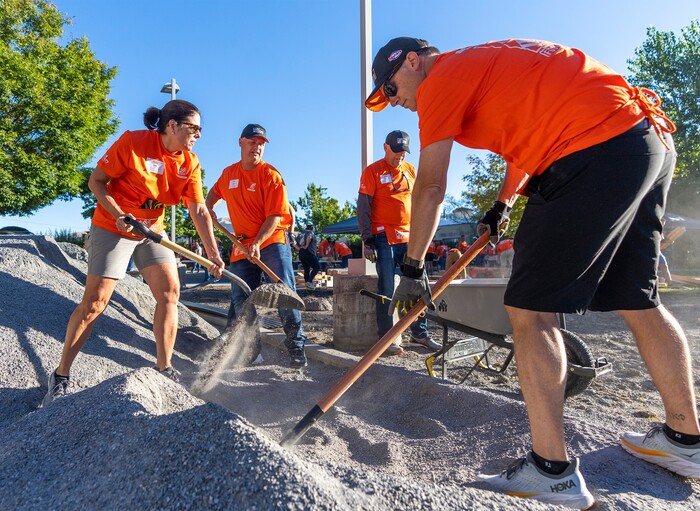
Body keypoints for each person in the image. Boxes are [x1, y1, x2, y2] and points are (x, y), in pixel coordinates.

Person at [367, 36, 698, 508]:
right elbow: (528, 143)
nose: (395, 100)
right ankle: (685, 439)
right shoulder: (491, 65)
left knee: (528, 309)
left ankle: (552, 472)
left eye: (391, 87)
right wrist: (503, 203)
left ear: (414, 62)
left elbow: (432, 187)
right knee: (639, 299)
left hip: (593, 146)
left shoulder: (440, 82)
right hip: (644, 142)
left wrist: (413, 265)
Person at [42, 100, 225, 406]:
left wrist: (213, 252)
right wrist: (118, 215)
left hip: (152, 231)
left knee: (170, 293)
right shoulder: (133, 143)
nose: (198, 135)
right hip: (113, 226)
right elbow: (96, 181)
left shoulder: (189, 162)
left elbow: (199, 210)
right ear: (172, 126)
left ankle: (164, 367)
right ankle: (60, 376)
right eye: (194, 128)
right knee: (95, 303)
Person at [206, 123, 308, 368]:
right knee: (242, 299)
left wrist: (258, 243)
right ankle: (251, 353)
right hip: (240, 244)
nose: (257, 147)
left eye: (261, 144)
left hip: (271, 242)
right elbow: (211, 196)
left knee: (284, 295)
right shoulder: (229, 174)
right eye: (252, 142)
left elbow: (275, 216)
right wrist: (208, 211)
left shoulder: (271, 175)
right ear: (241, 142)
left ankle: (296, 348)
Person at [358, 129, 441, 356]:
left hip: (411, 238)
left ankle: (419, 332)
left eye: (403, 152)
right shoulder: (372, 172)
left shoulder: (410, 170)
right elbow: (363, 207)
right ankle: (387, 337)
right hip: (384, 238)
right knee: (387, 287)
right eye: (396, 151)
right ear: (386, 147)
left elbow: (420, 200)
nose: (400, 156)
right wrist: (367, 239)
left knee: (417, 285)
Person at [299, 224, 321, 289]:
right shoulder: (310, 232)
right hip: (309, 253)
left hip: (302, 253)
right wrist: (306, 246)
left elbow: (294, 242)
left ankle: (307, 285)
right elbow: (310, 236)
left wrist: (299, 248)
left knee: (306, 269)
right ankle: (309, 281)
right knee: (317, 267)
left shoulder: (302, 234)